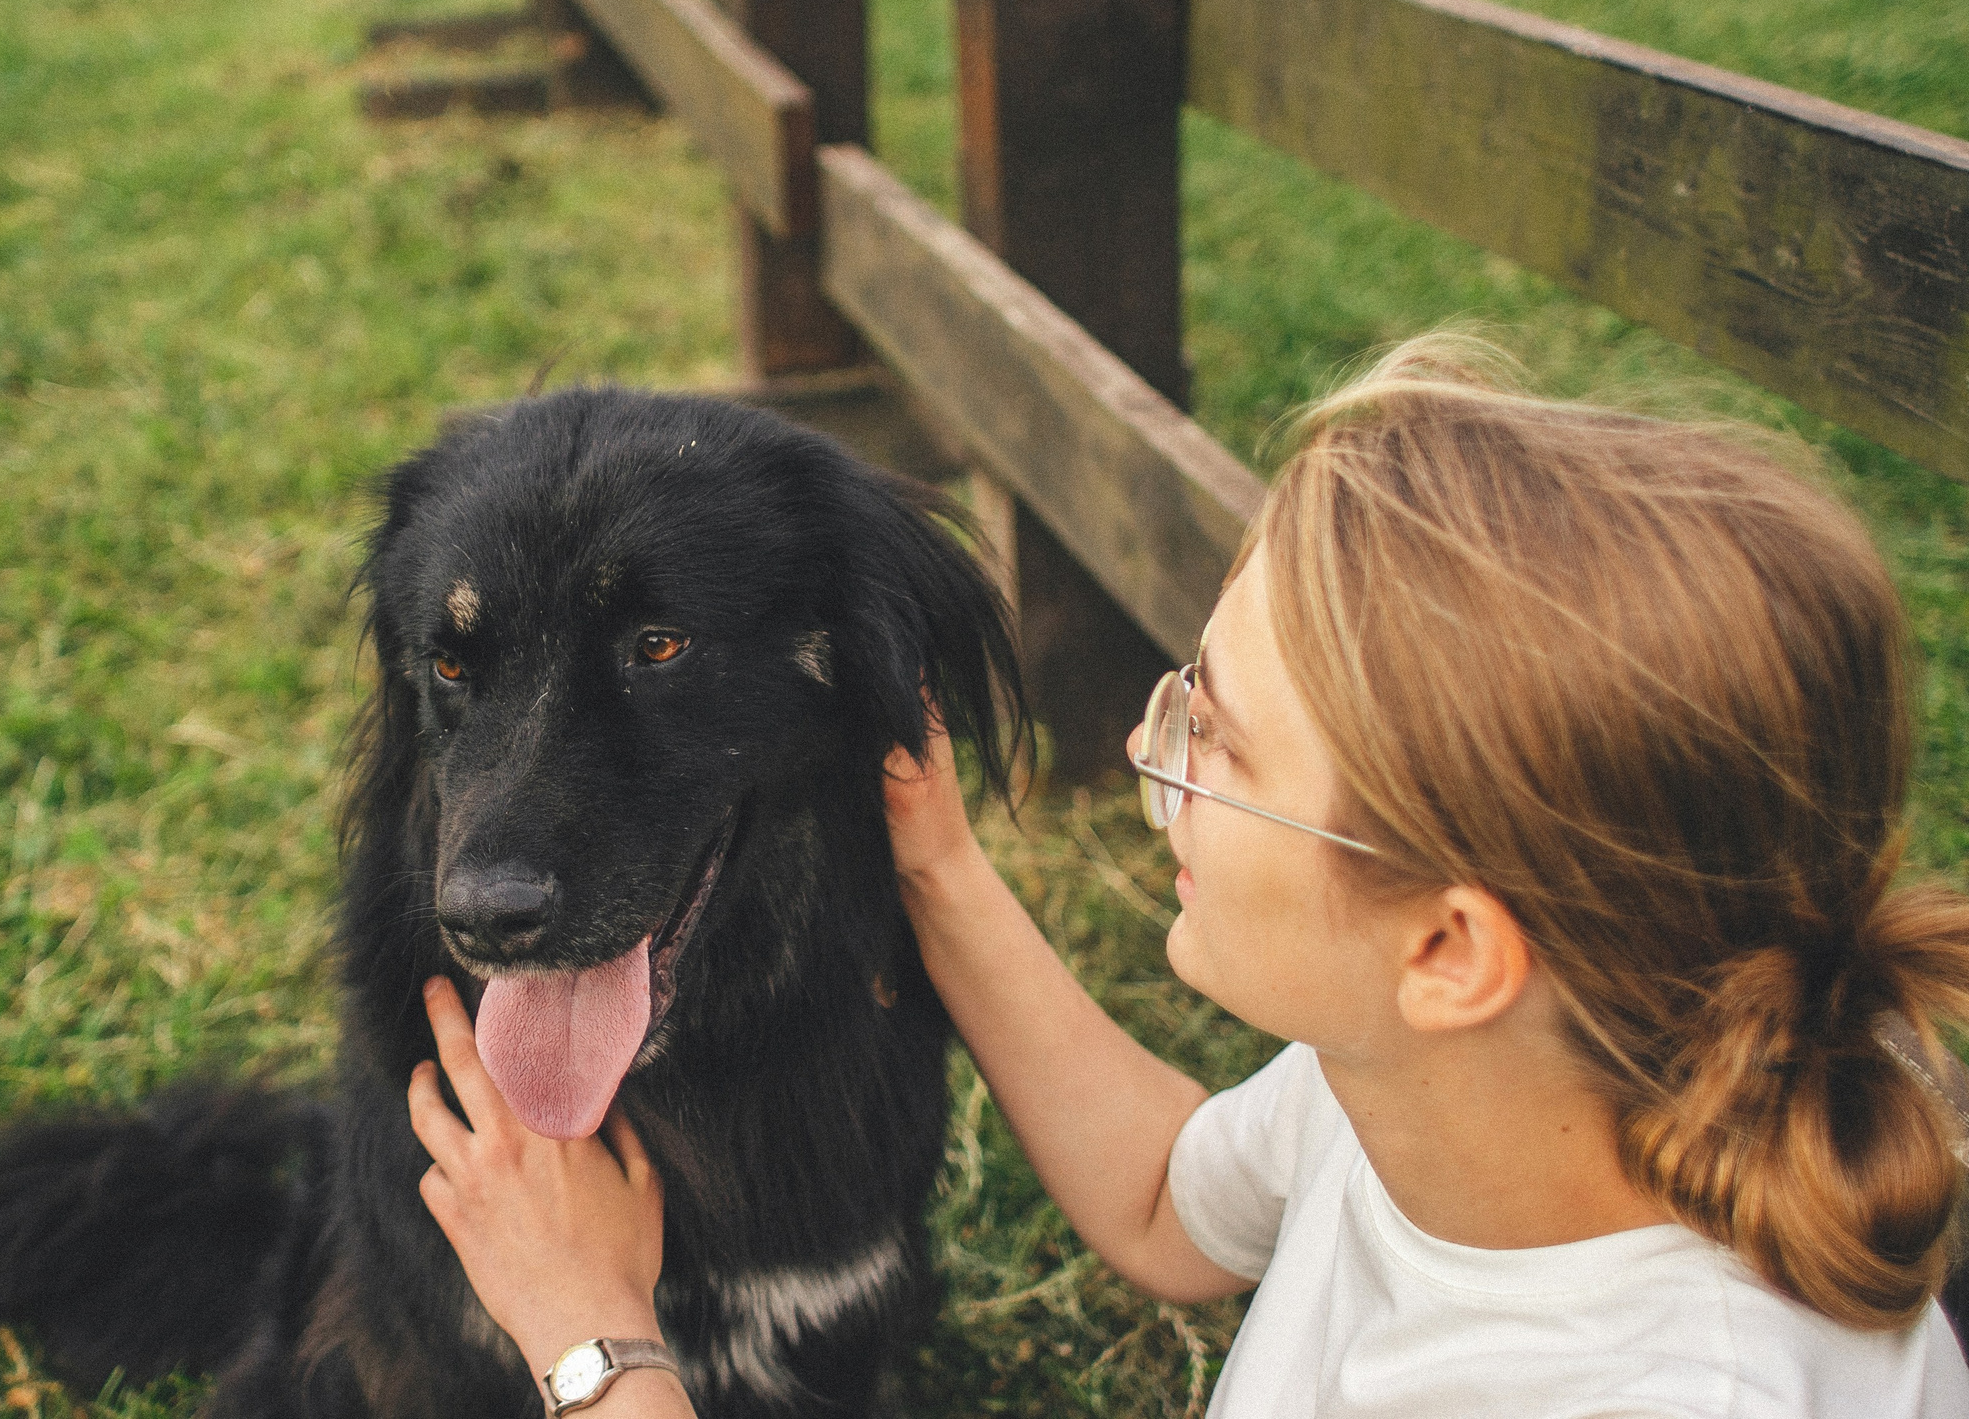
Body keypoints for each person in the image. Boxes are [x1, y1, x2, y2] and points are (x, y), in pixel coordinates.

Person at [406, 335, 1969, 1416]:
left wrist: (597, 1343)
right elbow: (1169, 1204)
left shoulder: (1633, 1396)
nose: (1156, 754)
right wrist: (940, 871)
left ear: (1448, 949)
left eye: (1215, 737)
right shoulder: (1494, 1091)